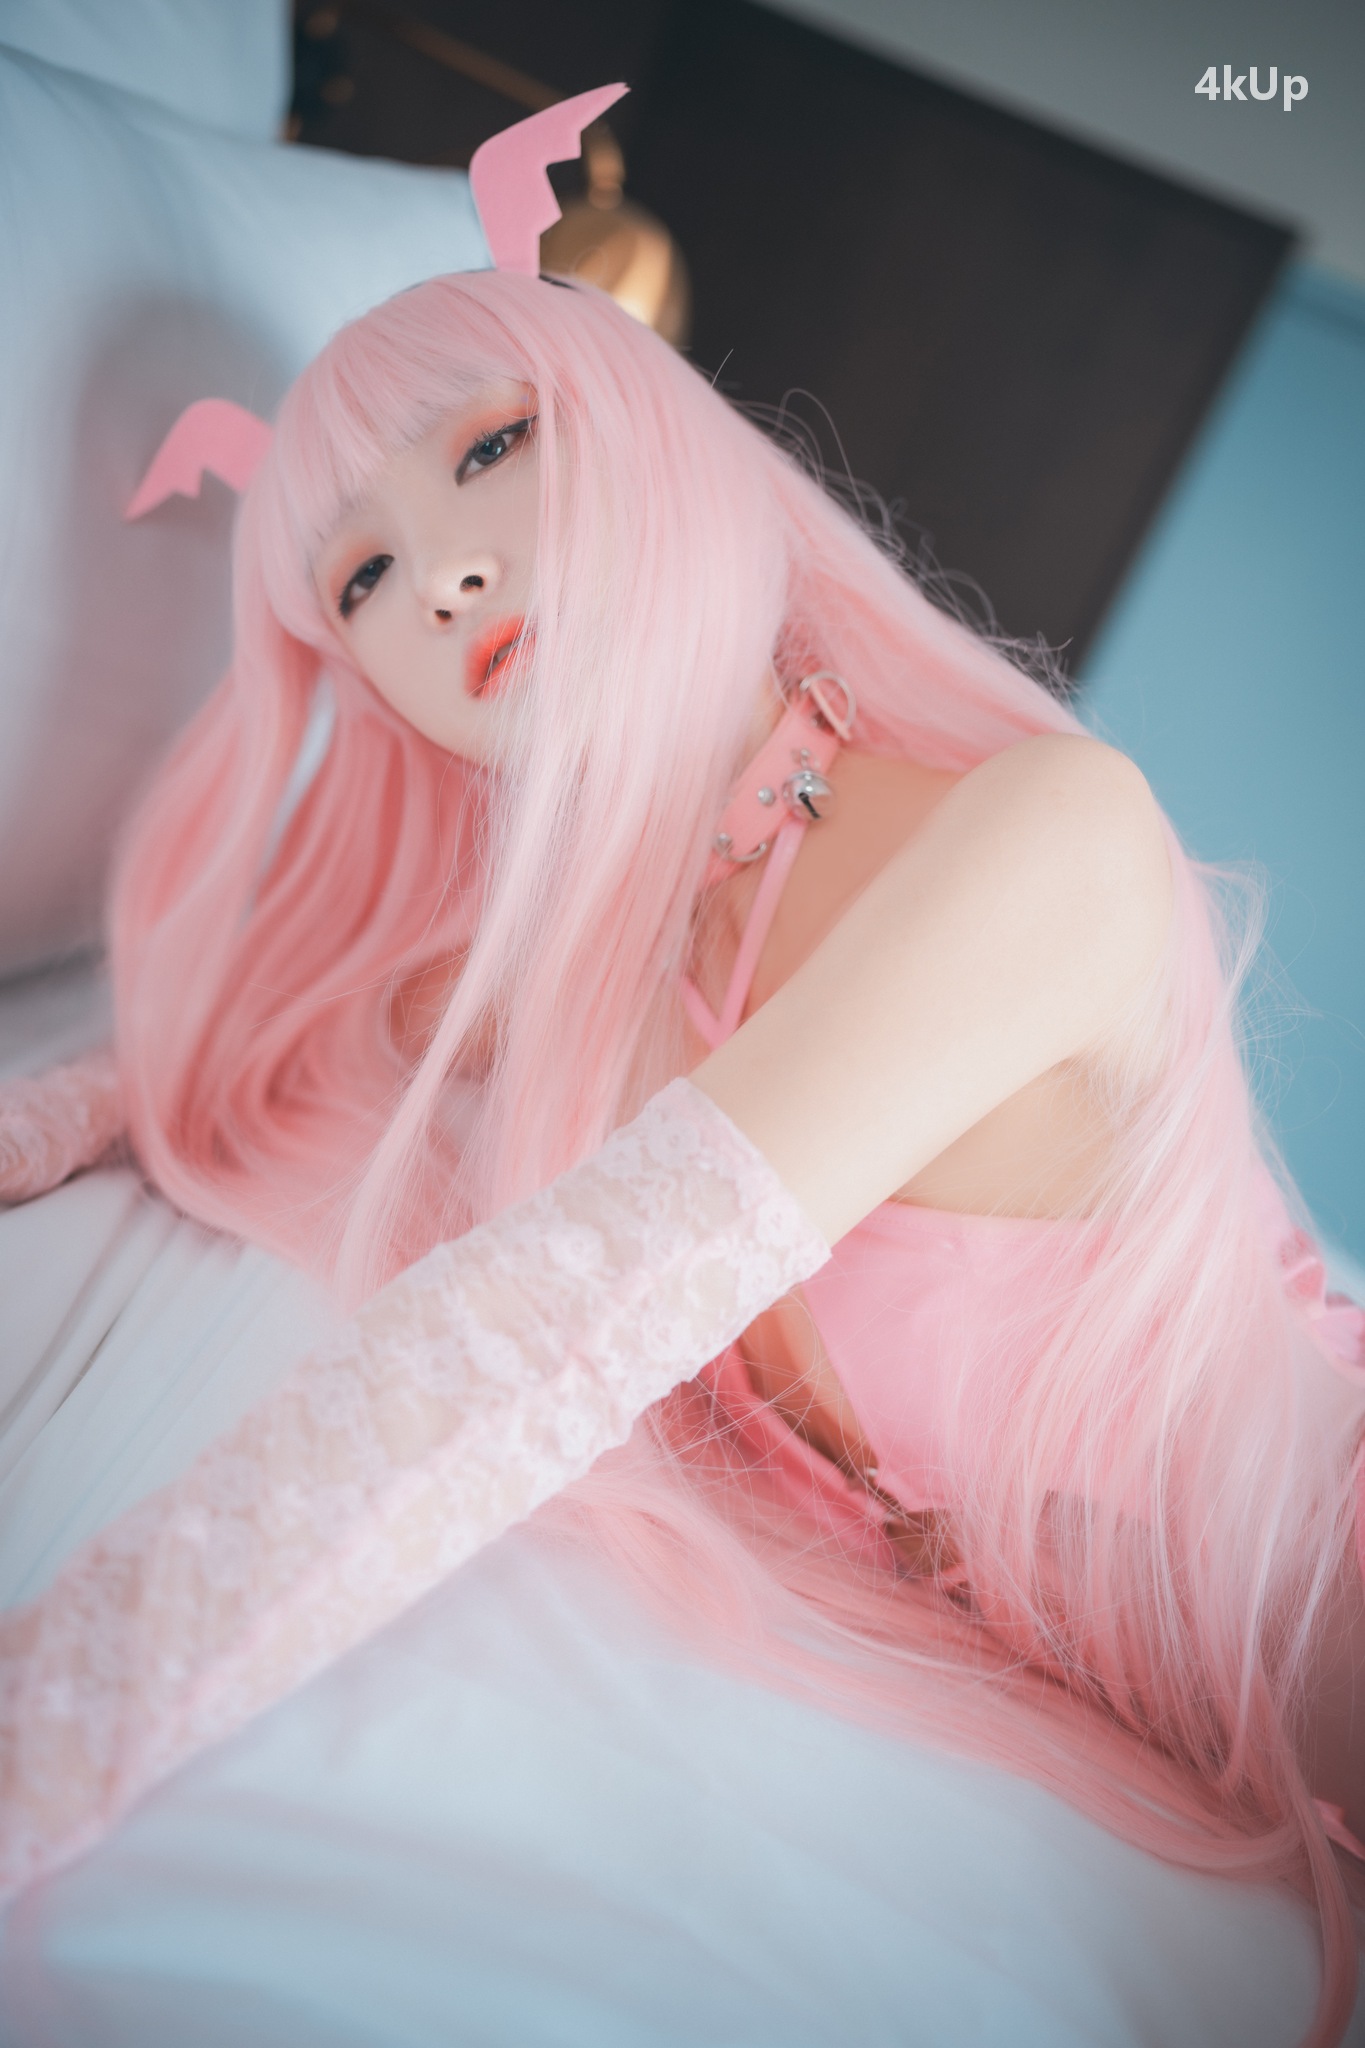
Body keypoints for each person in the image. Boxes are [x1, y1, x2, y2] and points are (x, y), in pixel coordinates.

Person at [1, 260, 1362, 2043]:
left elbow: (518, 1343)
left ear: (657, 432)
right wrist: (43, 1114)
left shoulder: (1040, 841)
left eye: (491, 450)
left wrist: (44, 1732)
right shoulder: (612, 969)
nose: (446, 577)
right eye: (363, 579)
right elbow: (291, 1036)